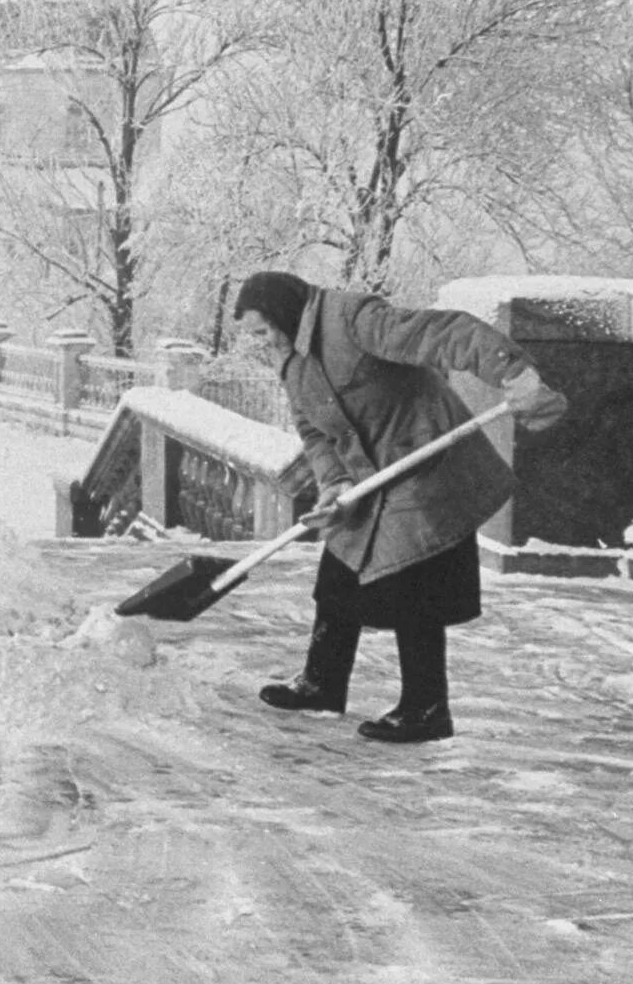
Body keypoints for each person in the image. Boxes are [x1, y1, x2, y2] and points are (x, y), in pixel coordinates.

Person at [233, 270, 568, 744]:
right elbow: (314, 431)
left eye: (263, 330)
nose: (262, 342)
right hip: (369, 476)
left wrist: (513, 371)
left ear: (286, 314)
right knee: (338, 573)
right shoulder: (292, 362)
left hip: (428, 462)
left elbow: (442, 334)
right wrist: (334, 483)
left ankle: (427, 707)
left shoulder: (351, 318)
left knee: (417, 584)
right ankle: (321, 684)